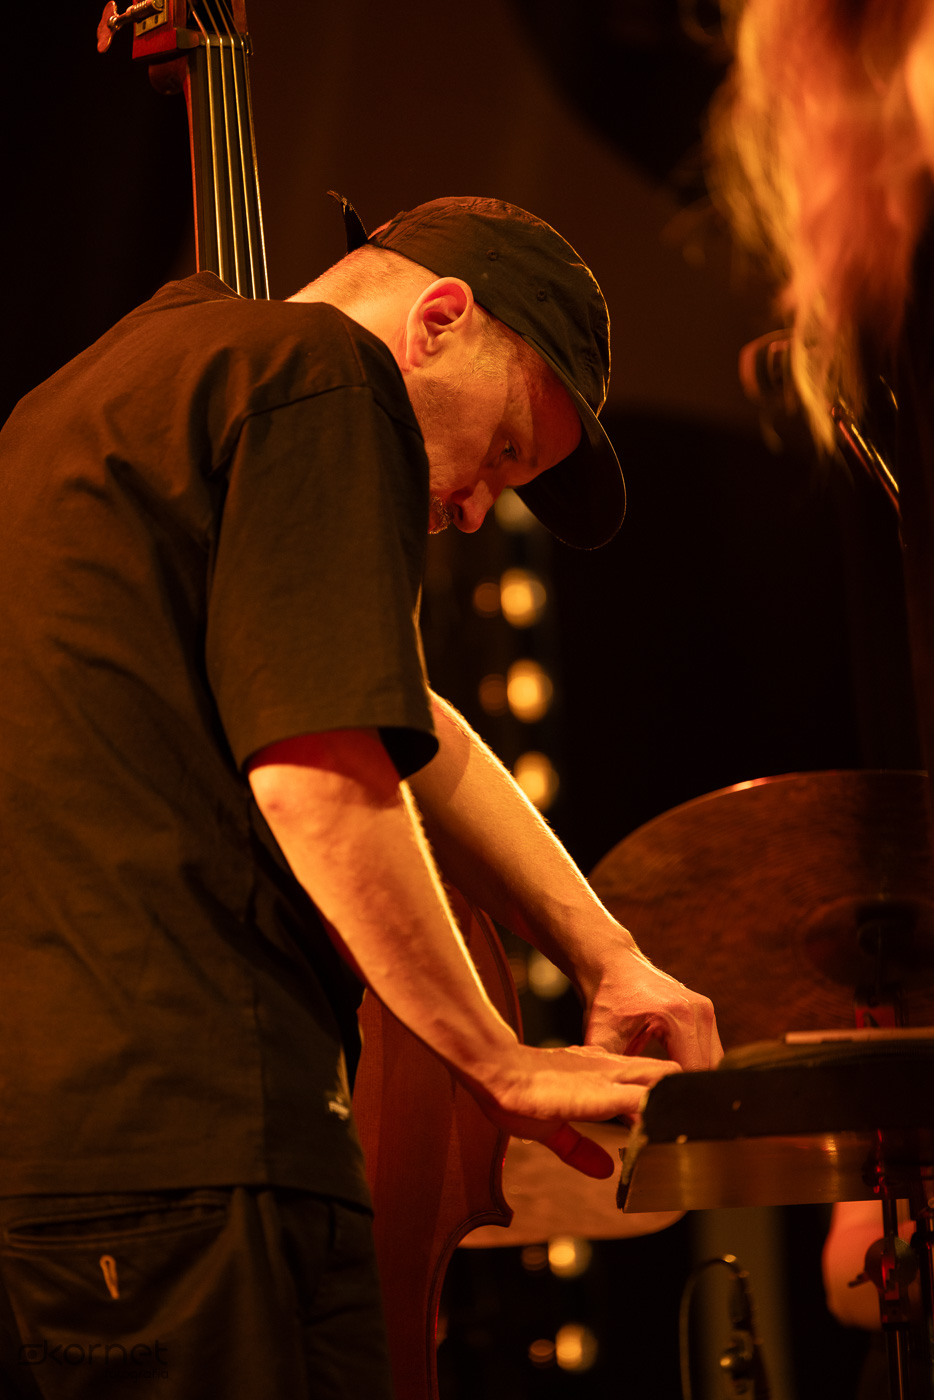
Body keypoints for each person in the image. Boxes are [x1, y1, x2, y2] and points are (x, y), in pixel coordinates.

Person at [0, 195, 721, 1399]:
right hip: (207, 1144)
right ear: (438, 319)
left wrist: (607, 957)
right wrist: (496, 1058)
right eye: (505, 448)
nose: (479, 504)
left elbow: (397, 711)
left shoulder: (92, 393)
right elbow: (321, 775)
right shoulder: (324, 372)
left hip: (59, 1161)